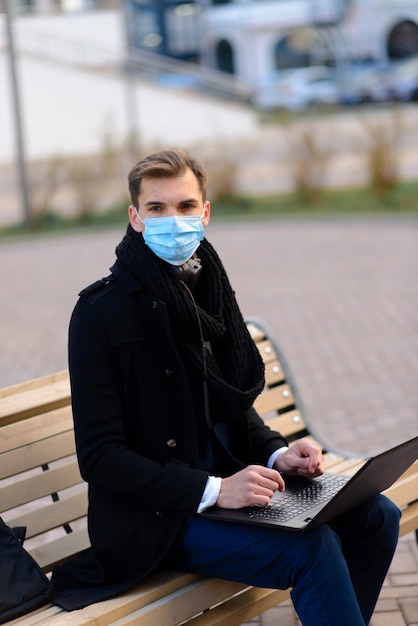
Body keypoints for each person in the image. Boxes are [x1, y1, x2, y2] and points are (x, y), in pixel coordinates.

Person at [51, 148, 401, 625]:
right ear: (135, 218)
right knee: (312, 549)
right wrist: (215, 489)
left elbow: (229, 403)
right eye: (157, 208)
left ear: (205, 213)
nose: (173, 220)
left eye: (185, 206)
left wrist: (279, 455)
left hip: (230, 494)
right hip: (159, 519)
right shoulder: (99, 313)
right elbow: (100, 457)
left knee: (377, 515)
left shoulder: (208, 291)